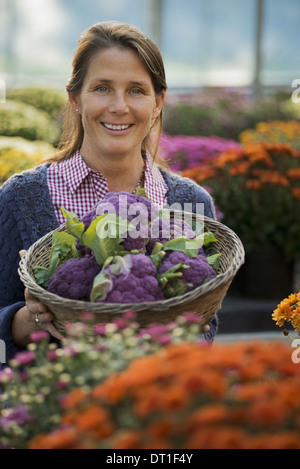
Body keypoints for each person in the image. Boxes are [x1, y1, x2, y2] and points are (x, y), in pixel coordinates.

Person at [0, 21, 218, 368]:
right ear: (75, 99)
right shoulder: (21, 199)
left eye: (136, 90)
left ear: (158, 102)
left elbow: (207, 326)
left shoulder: (191, 203)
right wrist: (25, 323)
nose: (119, 106)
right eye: (102, 88)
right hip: (58, 412)